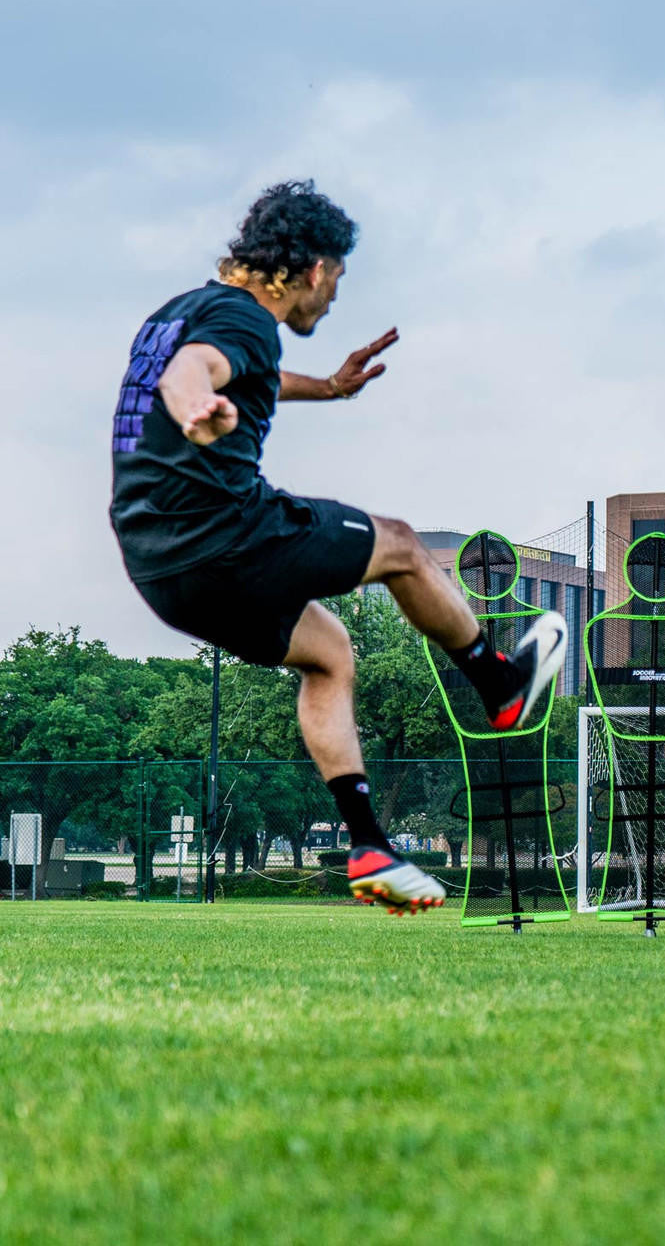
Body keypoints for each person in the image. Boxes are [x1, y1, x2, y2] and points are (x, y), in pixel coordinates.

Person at [109, 180, 566, 915]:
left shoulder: (178, 312)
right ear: (314, 269)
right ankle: (498, 686)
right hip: (227, 536)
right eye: (338, 281)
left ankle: (369, 848)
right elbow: (192, 370)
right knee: (404, 547)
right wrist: (197, 407)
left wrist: (327, 387)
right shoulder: (241, 320)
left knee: (329, 653)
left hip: (159, 569)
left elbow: (227, 370)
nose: (332, 301)